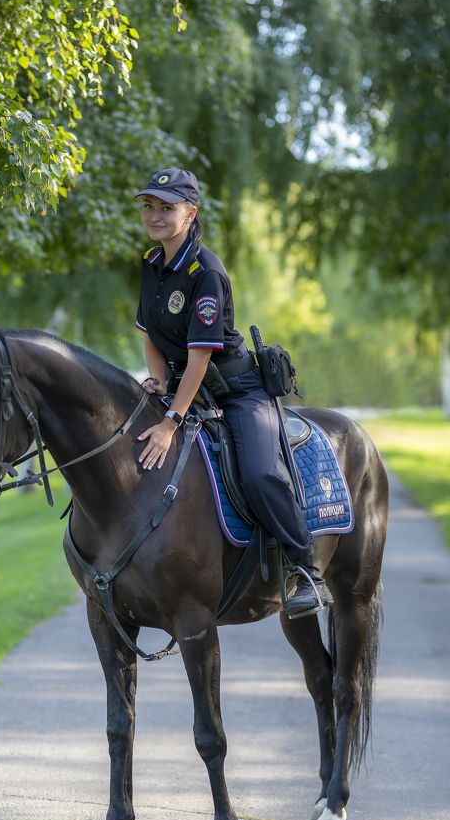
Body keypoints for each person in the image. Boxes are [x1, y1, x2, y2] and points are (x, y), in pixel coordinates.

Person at [133, 166, 331, 619]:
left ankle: (304, 568)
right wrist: (161, 384)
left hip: (236, 390)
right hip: (185, 387)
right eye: (149, 206)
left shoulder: (207, 272)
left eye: (167, 207)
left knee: (260, 474)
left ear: (190, 212)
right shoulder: (150, 262)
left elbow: (202, 356)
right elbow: (150, 334)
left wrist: (170, 422)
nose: (156, 215)